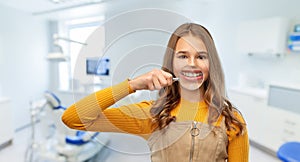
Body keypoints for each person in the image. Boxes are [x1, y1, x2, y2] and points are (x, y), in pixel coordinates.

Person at [62, 23, 249, 162]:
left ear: (211, 64)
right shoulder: (153, 115)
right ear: (172, 64)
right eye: (183, 56)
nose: (192, 64)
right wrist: (132, 85)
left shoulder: (232, 119)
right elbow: (73, 118)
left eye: (201, 56)